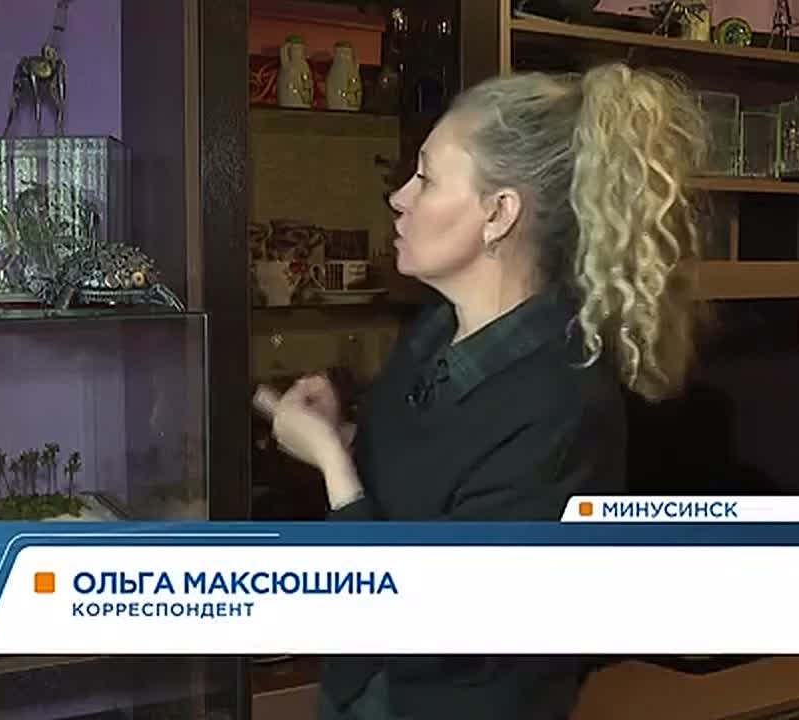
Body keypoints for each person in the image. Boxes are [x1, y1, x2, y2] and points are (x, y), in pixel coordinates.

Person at [253, 62, 710, 719]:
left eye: (426, 179)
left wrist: (329, 462)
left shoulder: (560, 407)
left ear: (498, 214)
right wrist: (344, 436)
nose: (399, 198)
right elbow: (432, 481)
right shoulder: (434, 333)